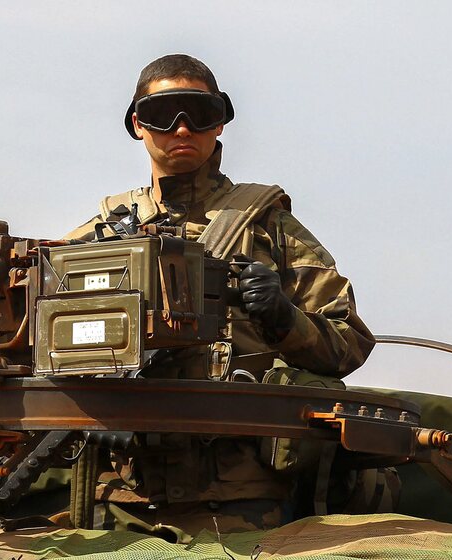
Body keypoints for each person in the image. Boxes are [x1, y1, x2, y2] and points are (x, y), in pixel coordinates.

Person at [61, 54, 376, 540]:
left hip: (239, 498)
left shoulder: (267, 226)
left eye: (199, 113)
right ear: (136, 124)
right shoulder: (98, 239)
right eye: (165, 113)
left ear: (221, 123)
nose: (182, 129)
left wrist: (283, 317)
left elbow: (349, 342)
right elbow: (30, 336)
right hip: (122, 492)